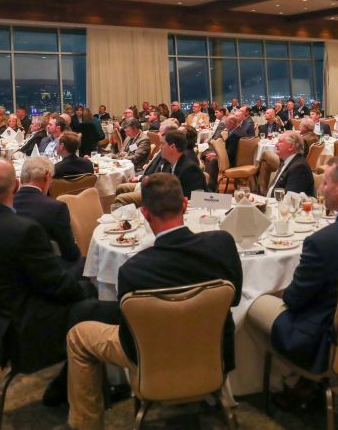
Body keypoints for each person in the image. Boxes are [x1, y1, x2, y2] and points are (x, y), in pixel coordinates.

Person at [66, 173, 242, 429]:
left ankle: (86, 424)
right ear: (185, 205)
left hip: (151, 360)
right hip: (215, 353)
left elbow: (129, 333)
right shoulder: (223, 244)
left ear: (145, 214)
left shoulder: (132, 269)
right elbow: (234, 299)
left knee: (78, 336)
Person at [248, 156, 338, 376]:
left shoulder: (322, 241)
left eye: (325, 183)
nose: (321, 188)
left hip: (323, 336)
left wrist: (275, 290)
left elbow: (294, 300)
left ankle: (274, 379)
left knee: (252, 303)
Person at [0, 159, 90, 377]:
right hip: (26, 330)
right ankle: (80, 382)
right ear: (15, 186)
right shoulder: (24, 230)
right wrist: (86, 290)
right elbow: (58, 287)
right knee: (104, 303)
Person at [14, 156, 81, 265]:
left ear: (22, 178)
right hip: (46, 269)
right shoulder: (56, 208)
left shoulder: (6, 205)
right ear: (47, 176)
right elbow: (70, 253)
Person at [114, 129, 206, 207]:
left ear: (173, 147)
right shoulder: (175, 161)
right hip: (166, 196)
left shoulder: (189, 168)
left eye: (162, 144)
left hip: (171, 202)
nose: (160, 147)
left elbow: (193, 200)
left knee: (120, 199)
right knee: (121, 189)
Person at [263, 131, 315, 198]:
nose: (276, 145)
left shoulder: (299, 168)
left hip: (277, 203)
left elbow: (289, 200)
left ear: (291, 146)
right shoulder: (286, 161)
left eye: (280, 142)